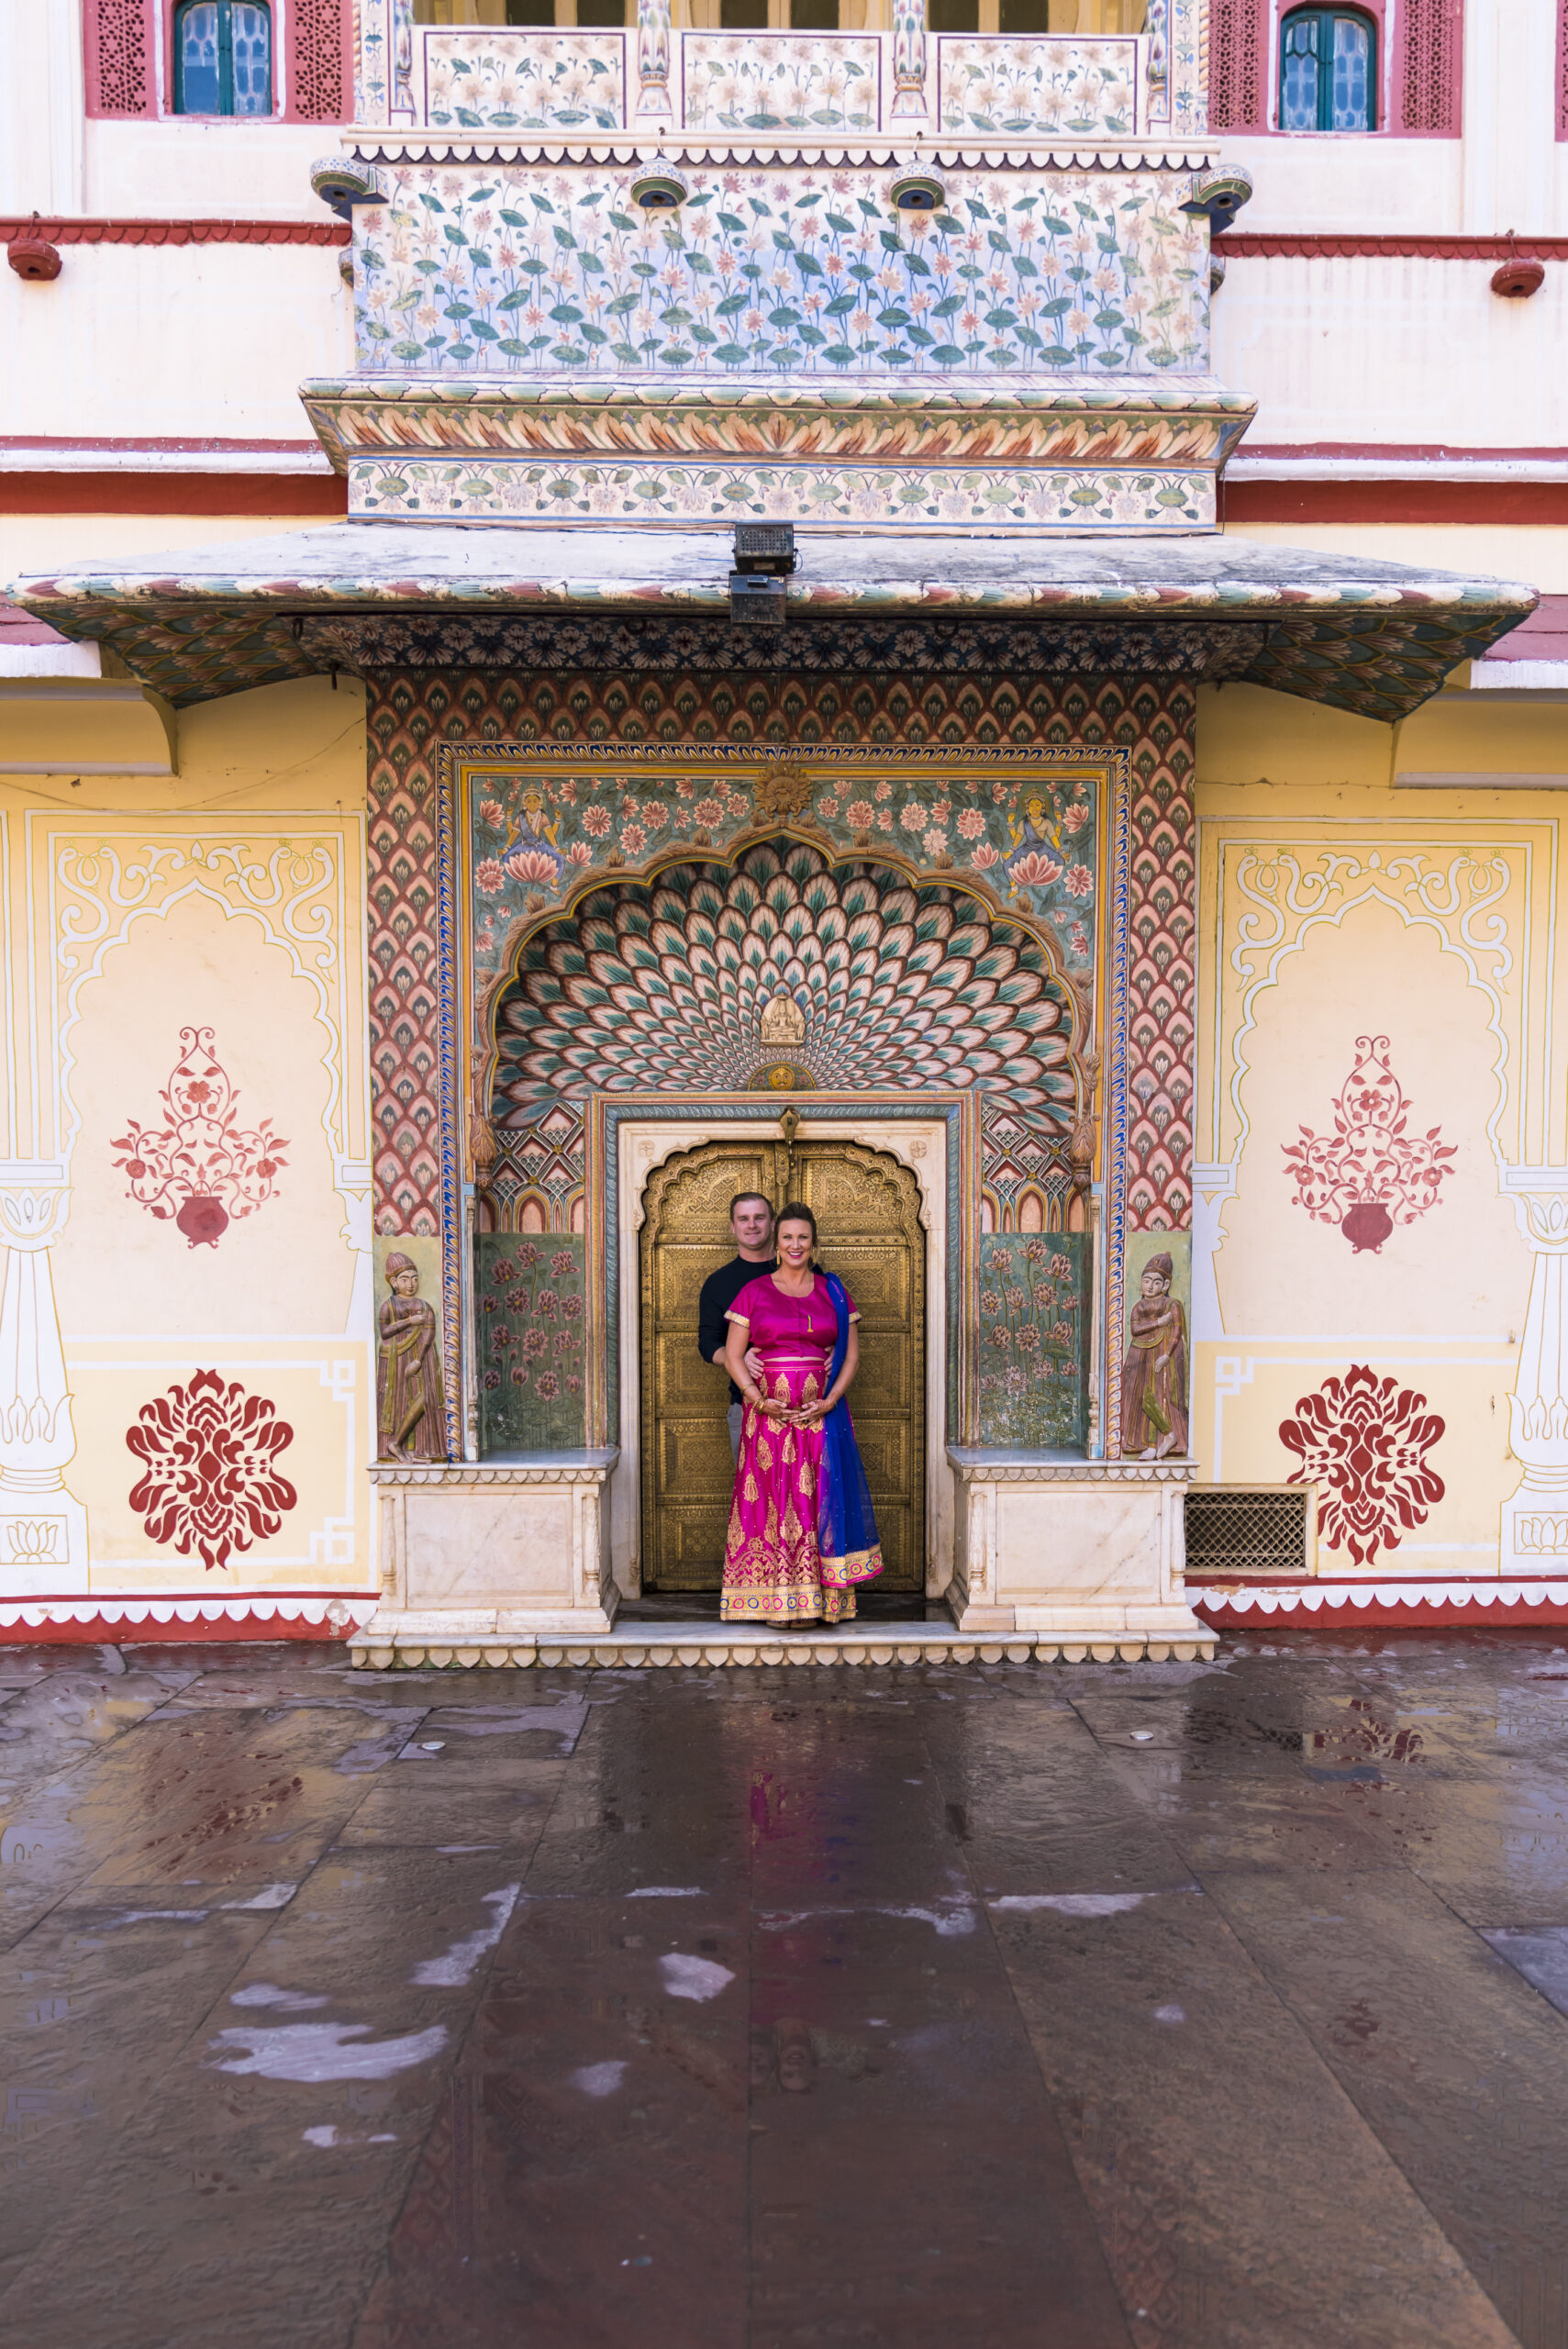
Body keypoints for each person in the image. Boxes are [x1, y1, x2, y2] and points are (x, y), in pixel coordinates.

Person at [720, 1202, 883, 1626]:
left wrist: (830, 1401)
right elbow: (735, 1356)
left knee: (817, 1504)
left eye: (803, 1238)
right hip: (768, 1421)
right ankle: (775, 1603)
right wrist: (756, 1398)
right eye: (788, 1237)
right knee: (774, 1506)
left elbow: (850, 1357)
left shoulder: (833, 1291)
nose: (795, 1245)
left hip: (820, 1418)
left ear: (813, 1243)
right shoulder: (754, 1292)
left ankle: (821, 1603)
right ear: (777, 1243)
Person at [697, 1192, 774, 1463]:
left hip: (808, 1406)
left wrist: (834, 1350)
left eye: (759, 1217)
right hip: (746, 1404)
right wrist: (736, 1358)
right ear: (733, 1226)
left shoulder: (806, 1271)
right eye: (744, 1219)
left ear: (773, 1223)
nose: (752, 1225)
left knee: (811, 1497)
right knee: (755, 1498)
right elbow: (708, 1343)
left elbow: (833, 1326)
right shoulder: (718, 1283)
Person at [377, 1252, 446, 1461]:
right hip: (394, 1359)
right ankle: (396, 1446)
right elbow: (385, 1332)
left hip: (421, 1357)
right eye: (405, 1279)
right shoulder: (388, 1306)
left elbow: (430, 1331)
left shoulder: (424, 1306)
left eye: (414, 1279)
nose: (411, 1284)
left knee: (427, 1397)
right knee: (397, 1401)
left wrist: (418, 1359)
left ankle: (403, 1444)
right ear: (394, 1282)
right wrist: (409, 1322)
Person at [1119, 1251, 1189, 1461]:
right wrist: (1159, 1322)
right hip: (1139, 1354)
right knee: (1139, 1396)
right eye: (1146, 1281)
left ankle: (1161, 1440)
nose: (1150, 1286)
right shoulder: (1138, 1306)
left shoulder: (1172, 1304)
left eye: (1156, 1282)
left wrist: (1167, 1355)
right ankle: (1156, 1439)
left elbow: (1177, 1331)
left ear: (1165, 1285)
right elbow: (1135, 1329)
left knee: (1159, 1396)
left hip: (1162, 1354)